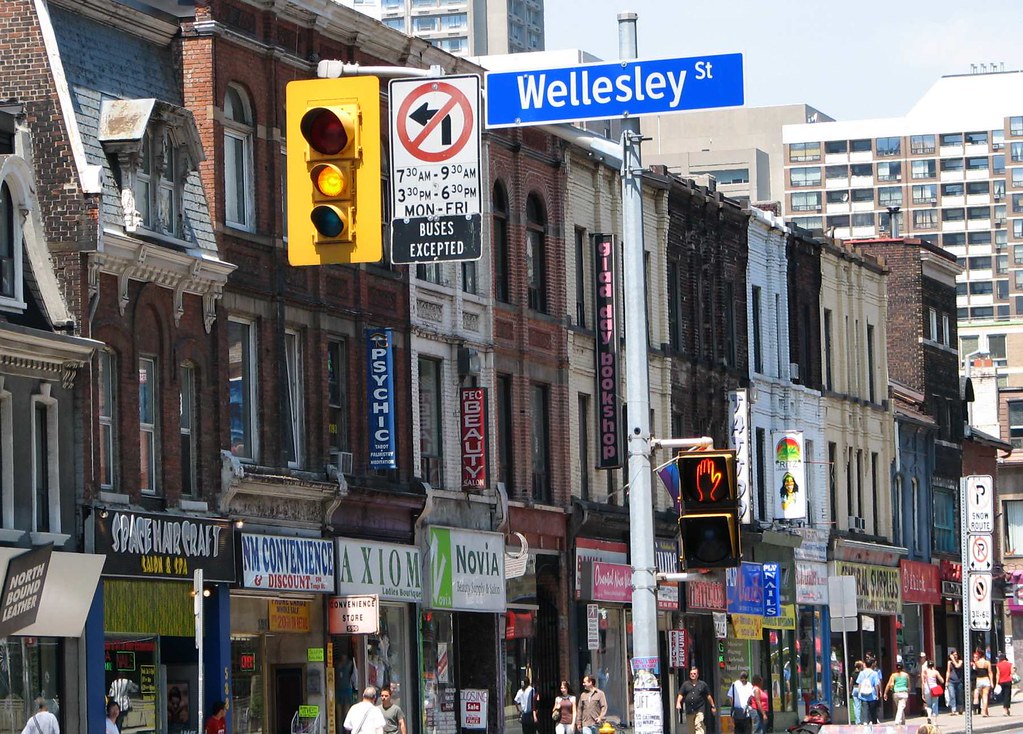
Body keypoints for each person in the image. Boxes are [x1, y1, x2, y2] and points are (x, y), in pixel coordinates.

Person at [675, 667, 716, 734]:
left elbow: (708, 696)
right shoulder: (685, 684)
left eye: (694, 673)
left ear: (697, 675)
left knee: (699, 724)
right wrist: (678, 702)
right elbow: (680, 694)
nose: (693, 675)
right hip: (689, 710)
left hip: (699, 709)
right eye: (691, 673)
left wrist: (713, 706)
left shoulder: (703, 684)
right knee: (691, 730)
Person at [854, 658, 880, 725]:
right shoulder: (875, 673)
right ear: (872, 665)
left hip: (863, 695)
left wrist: (859, 693)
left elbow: (859, 684)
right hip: (872, 695)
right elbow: (876, 685)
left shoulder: (862, 673)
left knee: (865, 711)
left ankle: (865, 723)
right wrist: (877, 694)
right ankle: (873, 724)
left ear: (865, 664)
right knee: (873, 712)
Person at [973, 648, 995, 717]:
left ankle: (985, 711)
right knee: (985, 696)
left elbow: (975, 670)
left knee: (982, 696)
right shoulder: (987, 663)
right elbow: (990, 673)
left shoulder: (977, 663)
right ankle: (984, 711)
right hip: (986, 680)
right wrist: (991, 682)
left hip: (979, 680)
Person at [945, 649, 964, 716]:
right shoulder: (949, 663)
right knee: (952, 695)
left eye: (956, 654)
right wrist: (946, 681)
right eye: (953, 655)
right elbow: (948, 671)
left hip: (958, 681)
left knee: (959, 696)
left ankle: (960, 708)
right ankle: (953, 710)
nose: (955, 656)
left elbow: (957, 666)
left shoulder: (960, 661)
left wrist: (953, 660)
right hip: (951, 681)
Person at [849, 660, 865, 724]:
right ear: (860, 666)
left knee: (856, 705)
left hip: (854, 689)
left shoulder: (853, 673)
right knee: (862, 705)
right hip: (861, 688)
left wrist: (850, 690)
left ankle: (857, 720)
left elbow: (851, 682)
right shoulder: (862, 673)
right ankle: (861, 720)